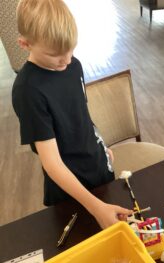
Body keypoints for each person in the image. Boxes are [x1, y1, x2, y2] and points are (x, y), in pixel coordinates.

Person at [12, 0, 132, 229]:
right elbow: (53, 164)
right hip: (69, 189)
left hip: (98, 167)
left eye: (71, 50)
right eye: (55, 55)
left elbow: (81, 114)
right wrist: (96, 207)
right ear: (24, 44)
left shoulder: (72, 65)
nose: (67, 61)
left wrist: (100, 146)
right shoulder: (28, 90)